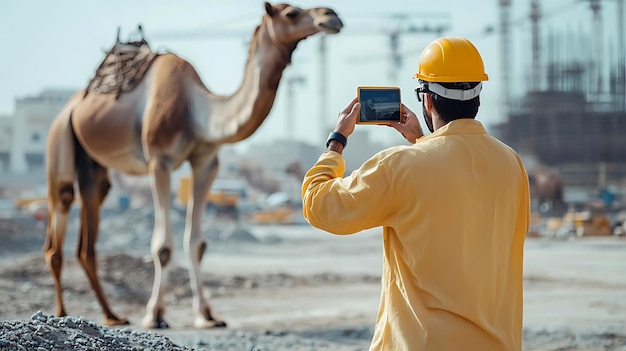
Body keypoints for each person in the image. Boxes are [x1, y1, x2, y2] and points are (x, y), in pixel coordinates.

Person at [301, 37, 530, 350]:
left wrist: (337, 140)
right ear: (478, 95)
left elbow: (320, 206)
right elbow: (457, 189)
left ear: (428, 101)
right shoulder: (511, 164)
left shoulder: (400, 167)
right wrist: (422, 142)